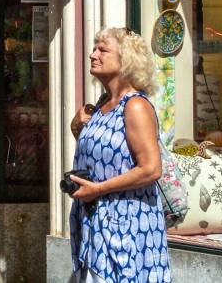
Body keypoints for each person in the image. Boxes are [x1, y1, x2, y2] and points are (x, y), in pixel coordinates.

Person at [64, 27, 168, 282]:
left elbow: (151, 169)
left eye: (102, 49)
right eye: (94, 48)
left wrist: (98, 189)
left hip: (127, 227)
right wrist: (77, 128)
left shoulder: (135, 107)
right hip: (97, 226)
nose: (92, 54)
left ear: (126, 60)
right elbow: (108, 155)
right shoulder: (102, 104)